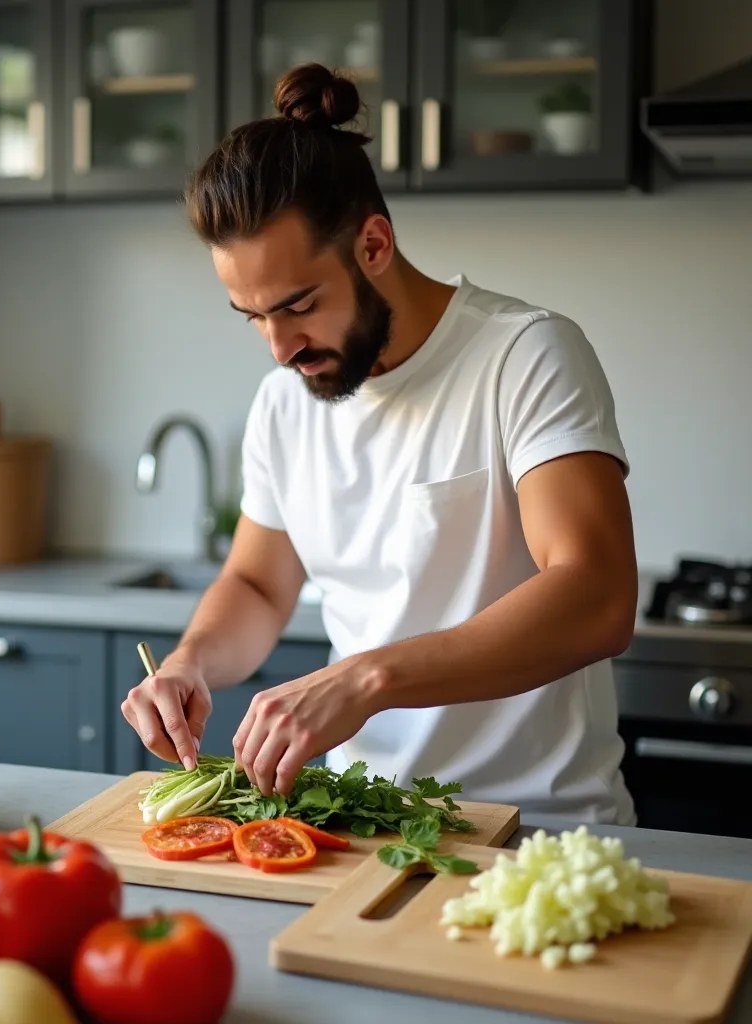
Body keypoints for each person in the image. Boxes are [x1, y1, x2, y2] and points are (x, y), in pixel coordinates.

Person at [120, 64, 639, 824]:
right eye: (251, 316)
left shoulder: (524, 355)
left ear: (373, 245)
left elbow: (596, 596)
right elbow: (259, 586)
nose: (278, 347)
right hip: (368, 824)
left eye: (298, 305)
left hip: (542, 832)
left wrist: (366, 680)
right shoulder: (284, 403)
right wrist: (190, 663)